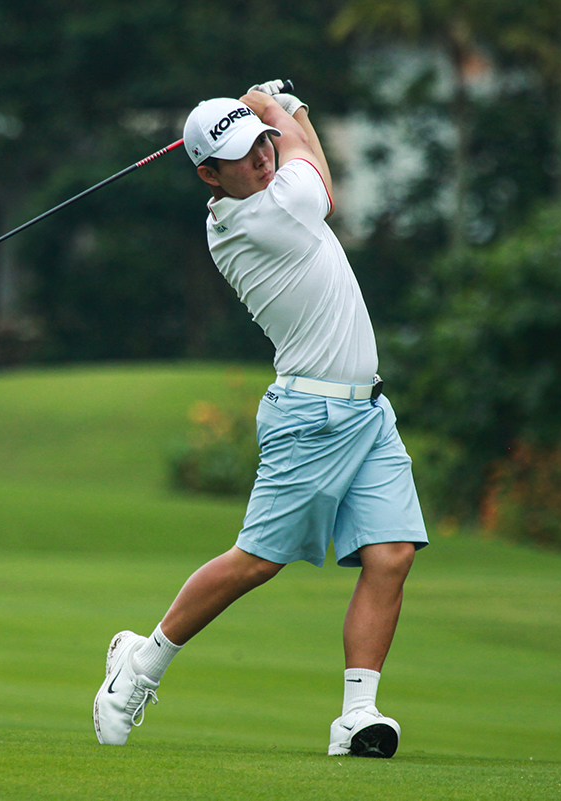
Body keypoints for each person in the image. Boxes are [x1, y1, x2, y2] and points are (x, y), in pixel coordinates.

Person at [93, 81, 428, 759]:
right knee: (255, 561)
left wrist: (272, 117)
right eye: (242, 156)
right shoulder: (260, 219)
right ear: (207, 176)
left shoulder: (269, 195)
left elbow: (302, 162)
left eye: (260, 145)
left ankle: (357, 716)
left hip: (368, 410)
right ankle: (141, 662)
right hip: (310, 415)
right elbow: (321, 178)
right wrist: (284, 105)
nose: (261, 159)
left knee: (389, 554)